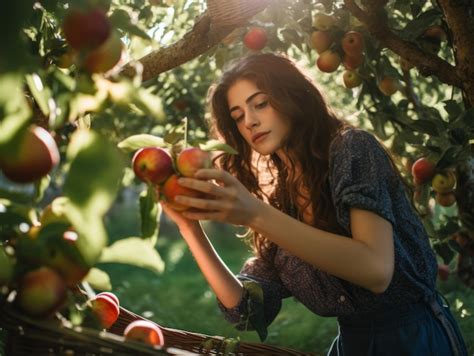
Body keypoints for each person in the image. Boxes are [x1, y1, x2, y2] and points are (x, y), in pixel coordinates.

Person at [161, 53, 468, 355]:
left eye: (260, 104)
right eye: (238, 116)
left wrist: (255, 214)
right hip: (352, 345)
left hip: (415, 340)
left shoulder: (351, 149)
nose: (250, 122)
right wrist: (190, 227)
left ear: (292, 96)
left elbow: (376, 270)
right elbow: (246, 311)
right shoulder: (281, 202)